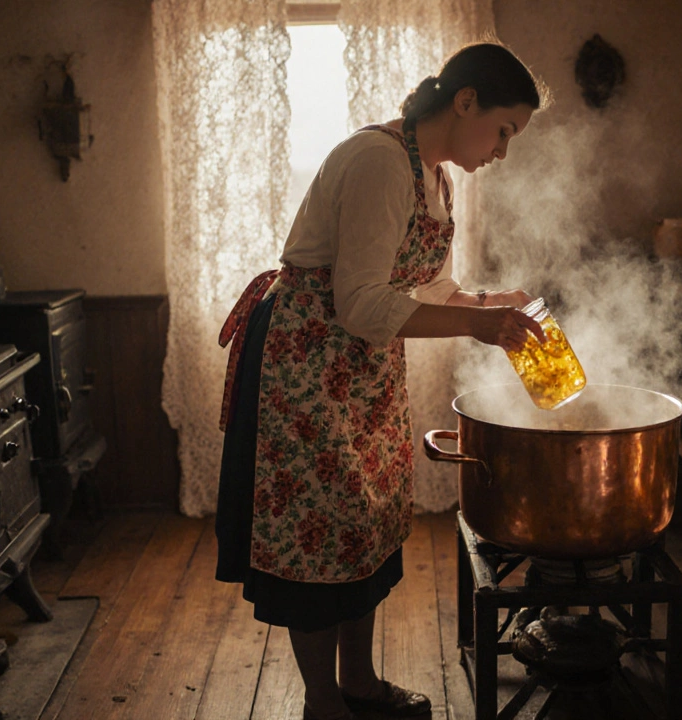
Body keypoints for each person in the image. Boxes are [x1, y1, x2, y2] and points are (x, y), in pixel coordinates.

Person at [214, 42, 544, 720]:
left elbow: (429, 286)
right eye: (504, 131)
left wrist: (486, 305)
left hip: (361, 367)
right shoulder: (376, 161)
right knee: (316, 533)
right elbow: (361, 304)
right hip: (305, 360)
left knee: (363, 523)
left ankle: (359, 683)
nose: (503, 152)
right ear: (465, 103)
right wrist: (474, 327)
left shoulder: (437, 175)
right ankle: (323, 702)